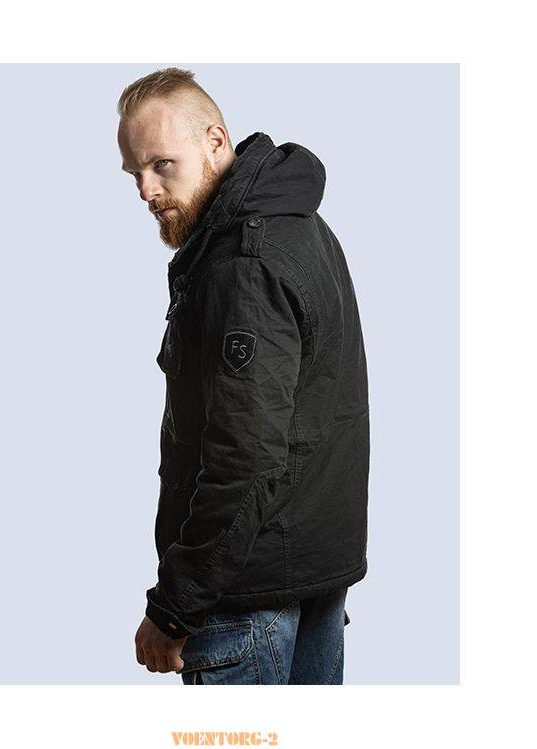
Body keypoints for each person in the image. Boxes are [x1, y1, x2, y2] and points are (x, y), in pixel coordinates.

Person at [117, 67, 369, 685]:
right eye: (134, 173)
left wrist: (174, 608)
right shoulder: (300, 225)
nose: (147, 189)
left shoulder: (243, 263)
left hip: (245, 598)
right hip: (311, 577)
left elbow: (244, 457)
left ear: (215, 141)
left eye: (162, 165)